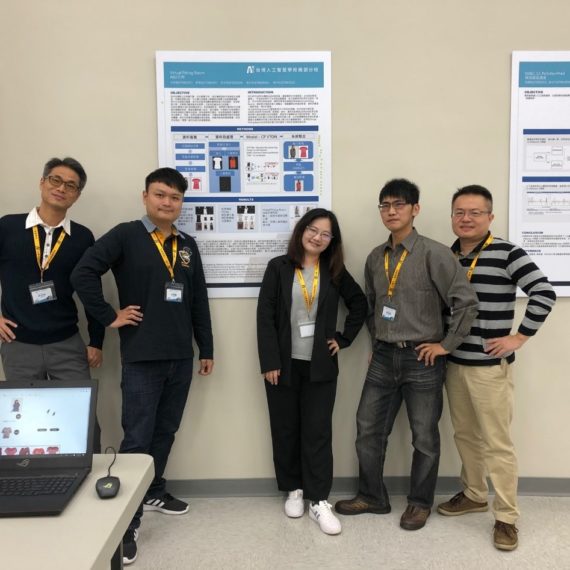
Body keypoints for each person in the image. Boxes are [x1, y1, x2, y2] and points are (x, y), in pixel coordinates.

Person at [71, 167, 214, 565]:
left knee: (166, 431)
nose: (167, 202)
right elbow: (82, 273)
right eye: (160, 195)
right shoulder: (126, 235)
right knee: (137, 439)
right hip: (141, 357)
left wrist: (206, 347)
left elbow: (198, 299)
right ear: (146, 197)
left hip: (180, 357)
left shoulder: (187, 245)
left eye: (175, 197)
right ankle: (127, 523)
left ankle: (153, 491)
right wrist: (108, 316)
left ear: (182, 203)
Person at [335, 178, 479, 531]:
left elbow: (466, 302)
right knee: (367, 430)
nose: (391, 211)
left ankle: (419, 503)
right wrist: (377, 342)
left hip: (423, 360)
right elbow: (373, 307)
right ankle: (372, 496)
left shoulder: (435, 253)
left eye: (398, 204)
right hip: (384, 358)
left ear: (415, 209)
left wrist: (446, 345)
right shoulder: (375, 257)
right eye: (385, 205)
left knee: (424, 437)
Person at [437, 185, 556, 551]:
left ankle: (506, 517)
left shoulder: (507, 252)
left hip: (489, 368)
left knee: (497, 443)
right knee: (464, 436)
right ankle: (474, 494)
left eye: (475, 212)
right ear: (452, 216)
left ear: (490, 217)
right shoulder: (446, 256)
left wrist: (518, 337)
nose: (466, 219)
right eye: (459, 212)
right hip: (453, 364)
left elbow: (544, 292)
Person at [257, 208, 367, 535]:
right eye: (312, 230)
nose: (317, 237)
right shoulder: (278, 267)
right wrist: (270, 361)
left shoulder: (333, 270)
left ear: (332, 240)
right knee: (285, 428)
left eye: (325, 234)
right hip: (283, 365)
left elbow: (359, 304)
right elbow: (265, 317)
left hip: (320, 365)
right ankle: (294, 488)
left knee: (317, 432)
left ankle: (318, 499)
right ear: (301, 230)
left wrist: (343, 339)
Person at [0, 157, 104, 447]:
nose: (61, 188)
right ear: (42, 182)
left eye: (70, 185)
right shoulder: (7, 227)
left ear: (77, 195)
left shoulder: (82, 237)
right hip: (17, 343)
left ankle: (85, 475)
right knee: (21, 425)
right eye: (55, 180)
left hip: (66, 342)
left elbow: (91, 291)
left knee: (82, 422)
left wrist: (97, 341)